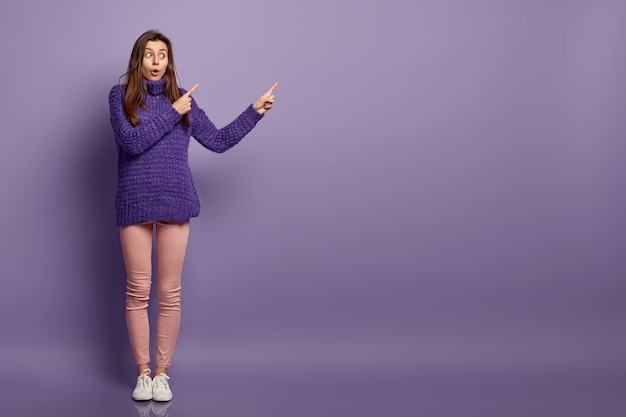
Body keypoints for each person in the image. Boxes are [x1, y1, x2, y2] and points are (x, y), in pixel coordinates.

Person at [108, 29, 277, 402]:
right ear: (138, 60)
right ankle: (143, 374)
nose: (155, 62)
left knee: (169, 293)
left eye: (162, 55)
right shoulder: (120, 97)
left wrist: (254, 113)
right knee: (138, 292)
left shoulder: (184, 101)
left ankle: (163, 375)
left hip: (176, 201)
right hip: (135, 202)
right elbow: (132, 143)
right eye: (149, 54)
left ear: (170, 61)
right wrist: (173, 113)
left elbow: (217, 141)